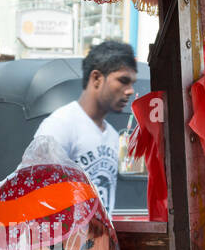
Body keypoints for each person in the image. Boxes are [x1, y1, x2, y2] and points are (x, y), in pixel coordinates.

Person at [29, 40, 137, 213]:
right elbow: (36, 195)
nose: (130, 90)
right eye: (123, 81)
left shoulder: (112, 136)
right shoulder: (60, 125)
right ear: (96, 78)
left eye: (132, 83)